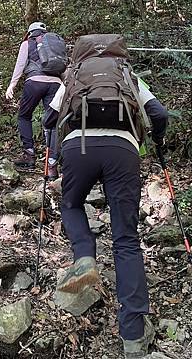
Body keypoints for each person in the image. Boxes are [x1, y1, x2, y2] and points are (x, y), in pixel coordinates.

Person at [43, 34, 168, 359]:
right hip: (123, 150)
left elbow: (49, 118)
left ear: (79, 55)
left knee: (70, 203)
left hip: (77, 146)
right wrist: (159, 141)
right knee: (126, 239)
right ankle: (133, 338)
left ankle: (84, 257)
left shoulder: (73, 75)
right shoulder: (127, 76)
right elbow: (160, 115)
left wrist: (52, 155)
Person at [5, 22, 63, 178]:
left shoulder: (27, 43)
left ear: (30, 33)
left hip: (35, 82)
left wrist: (12, 84)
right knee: (53, 122)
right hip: (56, 84)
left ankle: (29, 155)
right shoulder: (53, 43)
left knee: (24, 115)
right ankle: (52, 165)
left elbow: (20, 64)